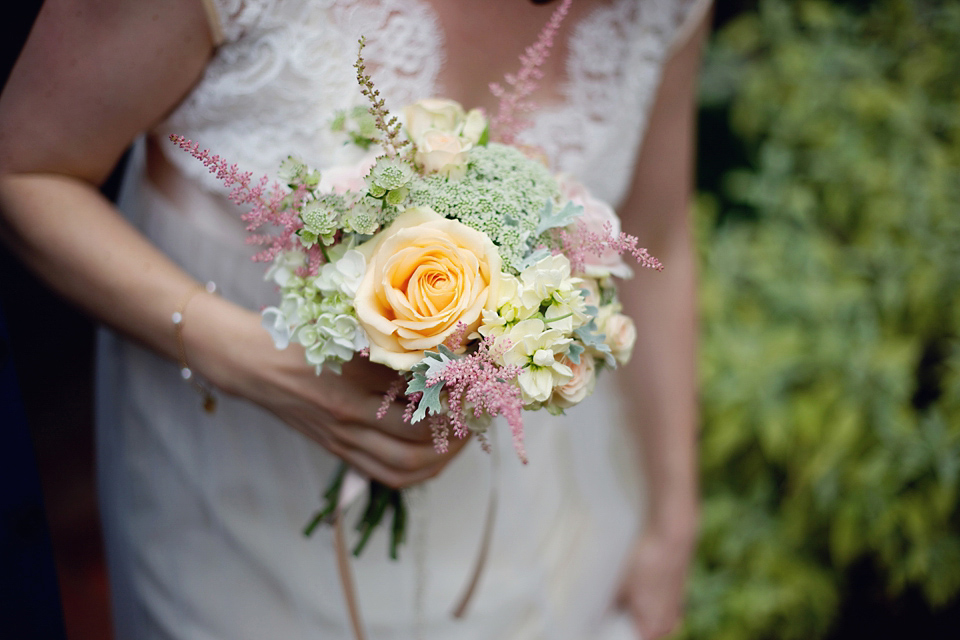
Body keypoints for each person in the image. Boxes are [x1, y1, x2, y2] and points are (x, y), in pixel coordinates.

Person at [0, 0, 707, 638]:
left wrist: (675, 517)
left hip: (522, 499)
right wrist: (258, 362)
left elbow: (656, 237)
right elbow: (22, 170)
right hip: (229, 471)